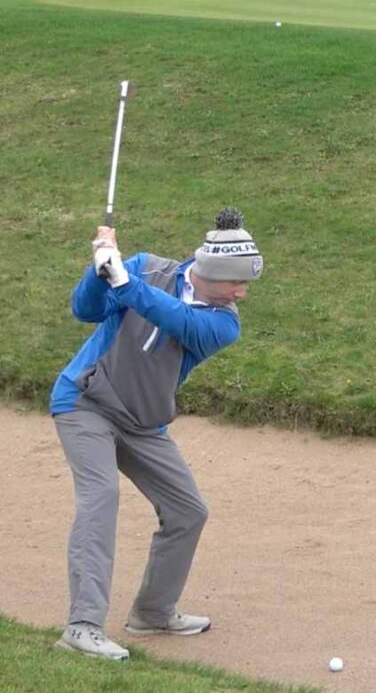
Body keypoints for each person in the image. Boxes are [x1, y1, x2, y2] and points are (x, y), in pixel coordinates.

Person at [49, 207, 264, 660]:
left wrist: (125, 283)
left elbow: (177, 321)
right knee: (101, 497)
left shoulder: (224, 324)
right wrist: (100, 268)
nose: (242, 292)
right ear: (211, 271)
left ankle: (152, 612)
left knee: (188, 511)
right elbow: (85, 309)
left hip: (144, 424)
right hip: (85, 403)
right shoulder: (147, 266)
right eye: (236, 282)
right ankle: (82, 625)